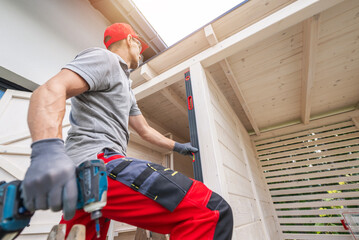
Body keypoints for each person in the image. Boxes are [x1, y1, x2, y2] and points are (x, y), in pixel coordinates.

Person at [22, 23, 233, 240]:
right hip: (98, 163)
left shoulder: (127, 88)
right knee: (210, 211)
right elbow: (49, 90)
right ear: (131, 40)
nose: (141, 53)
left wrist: (179, 147)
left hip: (86, 184)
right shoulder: (106, 59)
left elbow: (145, 131)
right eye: (140, 46)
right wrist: (47, 152)